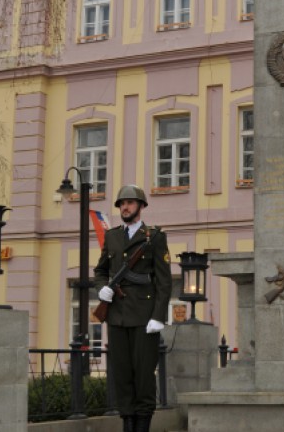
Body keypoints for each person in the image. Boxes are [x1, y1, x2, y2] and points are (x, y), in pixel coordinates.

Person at [94, 184, 172, 432]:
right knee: (122, 375)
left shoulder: (155, 237)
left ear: (140, 206)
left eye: (129, 203)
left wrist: (158, 316)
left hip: (144, 317)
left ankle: (142, 425)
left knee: (144, 376)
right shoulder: (112, 236)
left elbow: (164, 279)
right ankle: (127, 422)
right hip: (116, 316)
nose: (124, 207)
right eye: (121, 204)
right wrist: (102, 288)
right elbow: (101, 270)